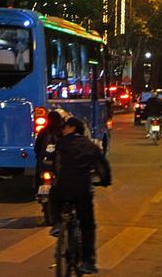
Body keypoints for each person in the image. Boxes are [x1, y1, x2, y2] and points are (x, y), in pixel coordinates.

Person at [49, 117, 111, 275]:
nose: (62, 130)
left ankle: (57, 223)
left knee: (54, 194)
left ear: (72, 128)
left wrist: (59, 177)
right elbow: (103, 170)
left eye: (65, 127)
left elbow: (56, 165)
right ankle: (88, 261)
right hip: (82, 190)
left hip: (62, 189)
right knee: (87, 226)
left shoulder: (62, 144)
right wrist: (104, 181)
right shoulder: (91, 146)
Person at [34, 110, 64, 188]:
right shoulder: (62, 132)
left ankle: (38, 189)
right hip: (57, 163)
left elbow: (37, 148)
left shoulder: (43, 132)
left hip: (44, 163)